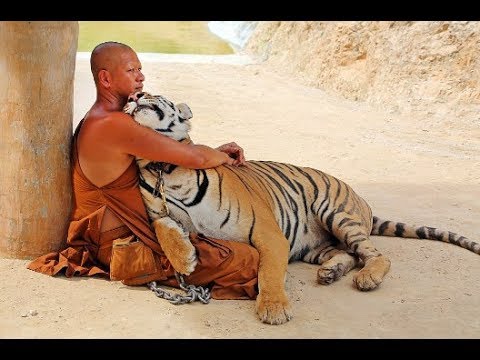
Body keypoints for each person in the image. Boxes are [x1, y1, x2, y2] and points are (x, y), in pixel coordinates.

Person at [27, 41, 259, 300]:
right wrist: (221, 157)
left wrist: (213, 152)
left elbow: (174, 152)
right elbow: (193, 157)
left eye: (140, 68)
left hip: (127, 233)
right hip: (117, 245)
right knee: (246, 261)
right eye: (131, 70)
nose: (141, 76)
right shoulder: (110, 124)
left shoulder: (109, 117)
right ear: (105, 78)